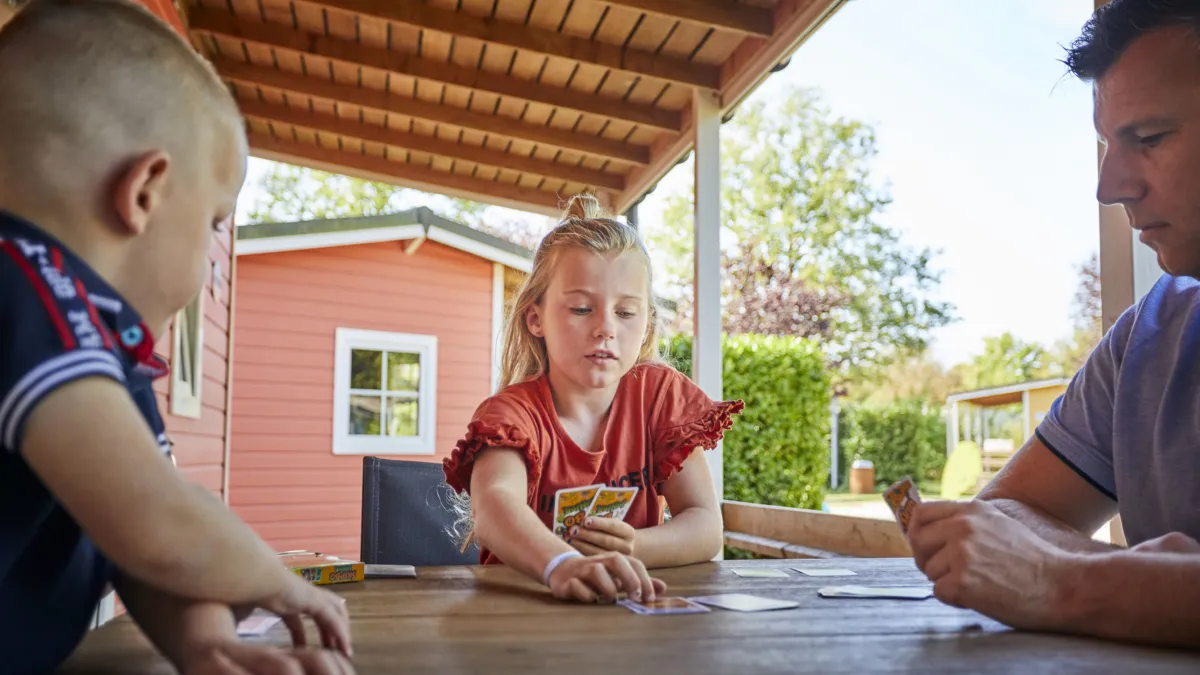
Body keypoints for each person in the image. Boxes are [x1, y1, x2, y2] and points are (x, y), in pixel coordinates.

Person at [0, 1, 353, 672]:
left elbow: (133, 544)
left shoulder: (101, 350)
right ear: (145, 192)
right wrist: (272, 574)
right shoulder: (23, 283)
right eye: (215, 222)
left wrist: (204, 641)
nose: (213, 256)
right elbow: (153, 519)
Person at [908, 0, 1200, 649]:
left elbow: (1026, 557)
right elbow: (1005, 517)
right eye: (1107, 143)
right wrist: (1145, 585)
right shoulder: (1144, 343)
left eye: (1148, 138)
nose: (1110, 184)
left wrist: (1062, 583)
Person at [443, 194, 742, 604]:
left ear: (647, 323)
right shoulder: (510, 413)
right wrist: (561, 564)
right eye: (582, 309)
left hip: (630, 618)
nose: (605, 328)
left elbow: (706, 526)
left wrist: (629, 547)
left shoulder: (660, 397)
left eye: (626, 313)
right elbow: (494, 507)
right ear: (535, 318)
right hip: (517, 618)